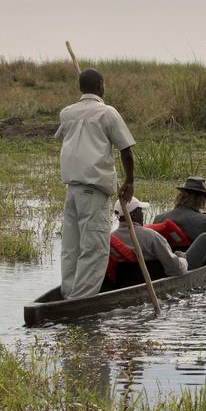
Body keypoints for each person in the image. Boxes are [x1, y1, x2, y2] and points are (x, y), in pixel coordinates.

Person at [56, 67, 136, 300]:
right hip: (93, 191)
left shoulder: (67, 113)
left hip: (72, 190)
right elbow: (126, 150)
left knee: (72, 247)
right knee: (94, 249)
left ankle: (69, 293)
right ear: (100, 85)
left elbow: (63, 137)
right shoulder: (107, 113)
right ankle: (79, 302)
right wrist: (129, 181)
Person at [110, 197, 206, 277]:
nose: (142, 214)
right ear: (132, 215)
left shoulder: (111, 238)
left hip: (130, 279)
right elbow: (176, 270)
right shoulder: (151, 237)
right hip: (161, 276)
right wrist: (183, 259)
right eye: (140, 211)